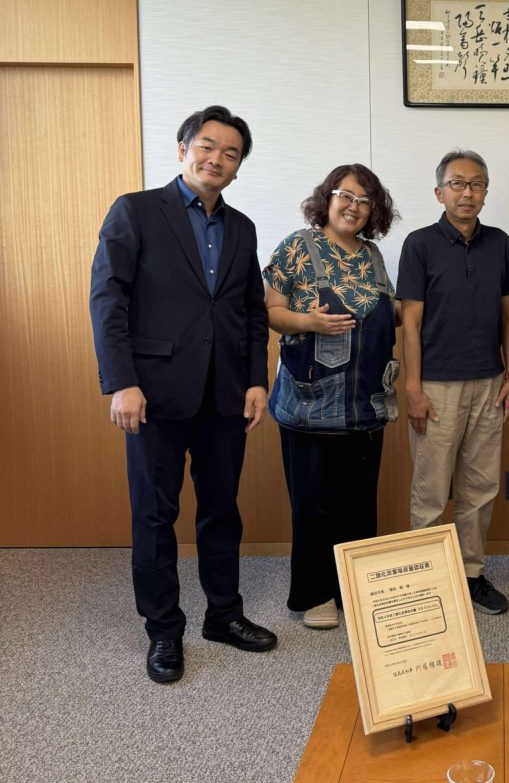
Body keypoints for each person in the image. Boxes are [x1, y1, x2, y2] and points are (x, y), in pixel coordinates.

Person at [89, 105, 276, 685]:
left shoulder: (242, 227)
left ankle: (223, 615)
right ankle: (164, 630)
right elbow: (108, 299)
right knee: (155, 515)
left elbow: (250, 312)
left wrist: (256, 380)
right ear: (182, 149)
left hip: (225, 394)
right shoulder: (137, 210)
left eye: (231, 153)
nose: (217, 159)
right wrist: (121, 381)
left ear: (238, 167)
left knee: (222, 510)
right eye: (207, 146)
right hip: (153, 393)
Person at [263, 165, 399, 629]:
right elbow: (272, 311)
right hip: (311, 404)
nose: (354, 207)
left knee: (359, 504)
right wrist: (310, 322)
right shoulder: (297, 247)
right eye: (346, 196)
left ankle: (353, 590)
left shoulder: (373, 256)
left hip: (366, 403)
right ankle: (317, 594)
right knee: (314, 504)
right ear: (328, 197)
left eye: (365, 201)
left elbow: (388, 312)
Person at [397, 150, 509, 615]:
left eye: (477, 184)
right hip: (435, 386)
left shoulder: (499, 242)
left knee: (481, 486)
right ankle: (427, 578)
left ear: (485, 192)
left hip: (490, 382)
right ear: (439, 192)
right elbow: (410, 324)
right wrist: (413, 388)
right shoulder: (419, 244)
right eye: (457, 184)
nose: (467, 192)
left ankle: (471, 574)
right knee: (430, 489)